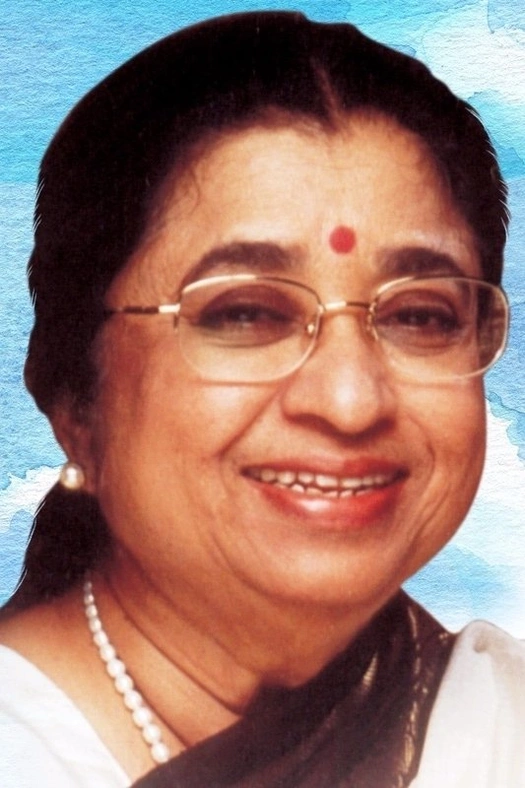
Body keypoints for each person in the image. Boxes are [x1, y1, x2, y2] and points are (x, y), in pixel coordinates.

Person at [0, 10, 523, 787]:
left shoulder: (499, 728)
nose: (350, 401)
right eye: (244, 314)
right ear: (77, 402)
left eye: (419, 315)